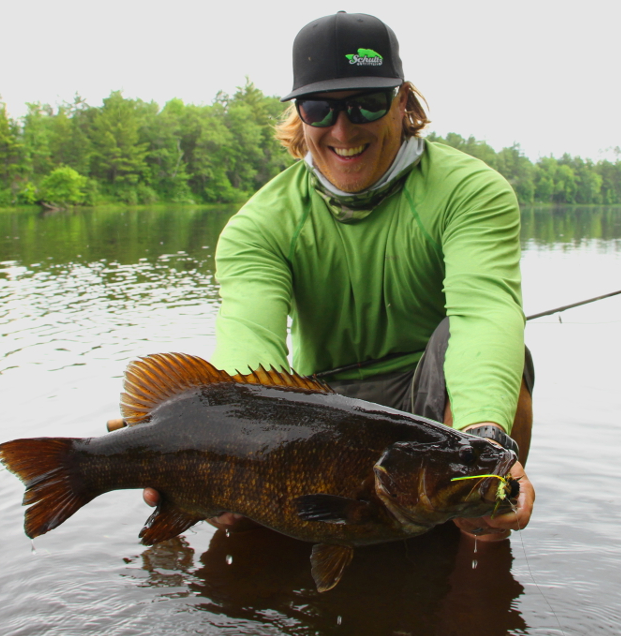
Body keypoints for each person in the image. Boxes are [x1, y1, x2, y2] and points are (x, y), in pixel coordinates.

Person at [136, 11, 535, 544]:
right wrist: (219, 448)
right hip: (323, 424)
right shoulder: (257, 225)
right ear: (299, 116)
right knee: (235, 507)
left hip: (434, 423)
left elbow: (485, 311)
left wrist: (484, 434)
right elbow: (248, 342)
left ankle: (481, 533)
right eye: (320, 108)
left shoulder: (472, 192)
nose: (343, 130)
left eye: (366, 104)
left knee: (507, 367)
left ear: (403, 103)